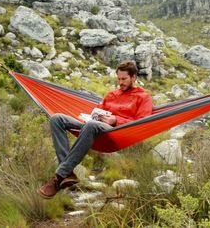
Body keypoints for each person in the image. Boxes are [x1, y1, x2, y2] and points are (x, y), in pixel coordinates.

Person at [38, 60, 153, 199]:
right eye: (119, 79)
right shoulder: (111, 95)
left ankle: (58, 177)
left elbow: (142, 124)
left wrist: (116, 120)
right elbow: (98, 112)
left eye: (124, 79)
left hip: (117, 132)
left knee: (91, 125)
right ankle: (68, 173)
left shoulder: (143, 97)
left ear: (133, 77)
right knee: (57, 118)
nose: (121, 82)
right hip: (94, 127)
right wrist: (92, 117)